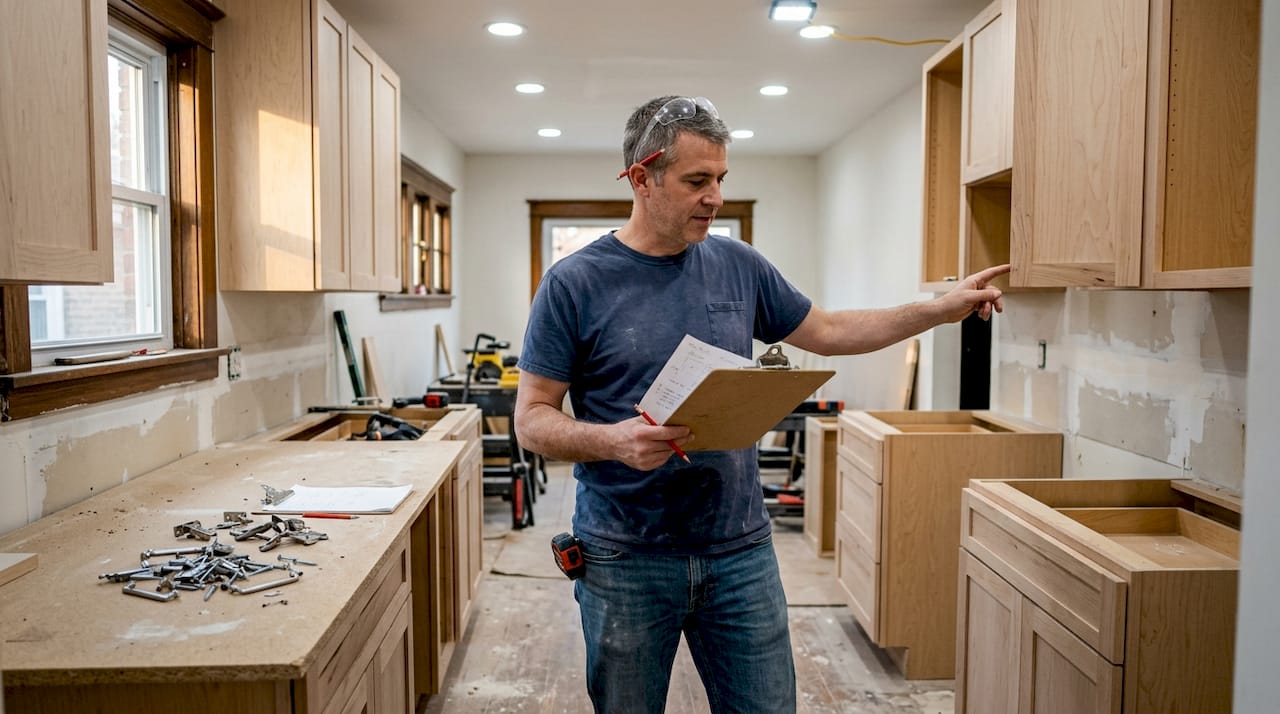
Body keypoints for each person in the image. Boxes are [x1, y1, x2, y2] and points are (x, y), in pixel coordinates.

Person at [514, 95, 1010, 713]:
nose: (715, 197)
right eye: (698, 180)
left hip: (740, 551)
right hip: (624, 556)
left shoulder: (738, 265)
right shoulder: (574, 282)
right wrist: (613, 441)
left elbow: (828, 331)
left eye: (721, 179)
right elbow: (532, 420)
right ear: (642, 177)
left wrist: (937, 309)